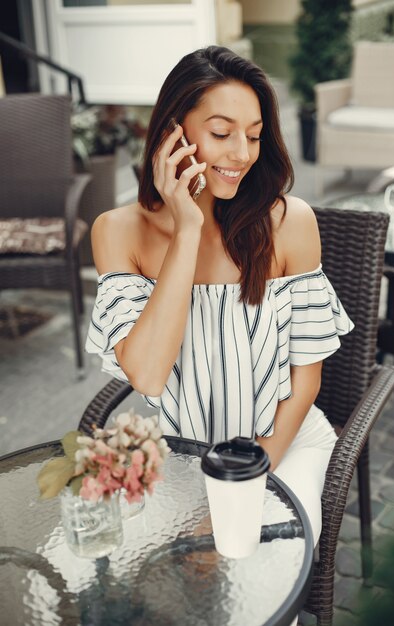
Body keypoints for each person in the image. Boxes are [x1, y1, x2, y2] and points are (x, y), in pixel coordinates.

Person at [86, 45, 353, 546]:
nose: (243, 154)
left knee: (248, 562)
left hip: (282, 446)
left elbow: (306, 382)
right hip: (182, 455)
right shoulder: (118, 232)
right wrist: (186, 228)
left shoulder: (290, 222)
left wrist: (241, 487)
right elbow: (146, 373)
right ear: (172, 132)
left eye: (253, 136)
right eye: (221, 133)